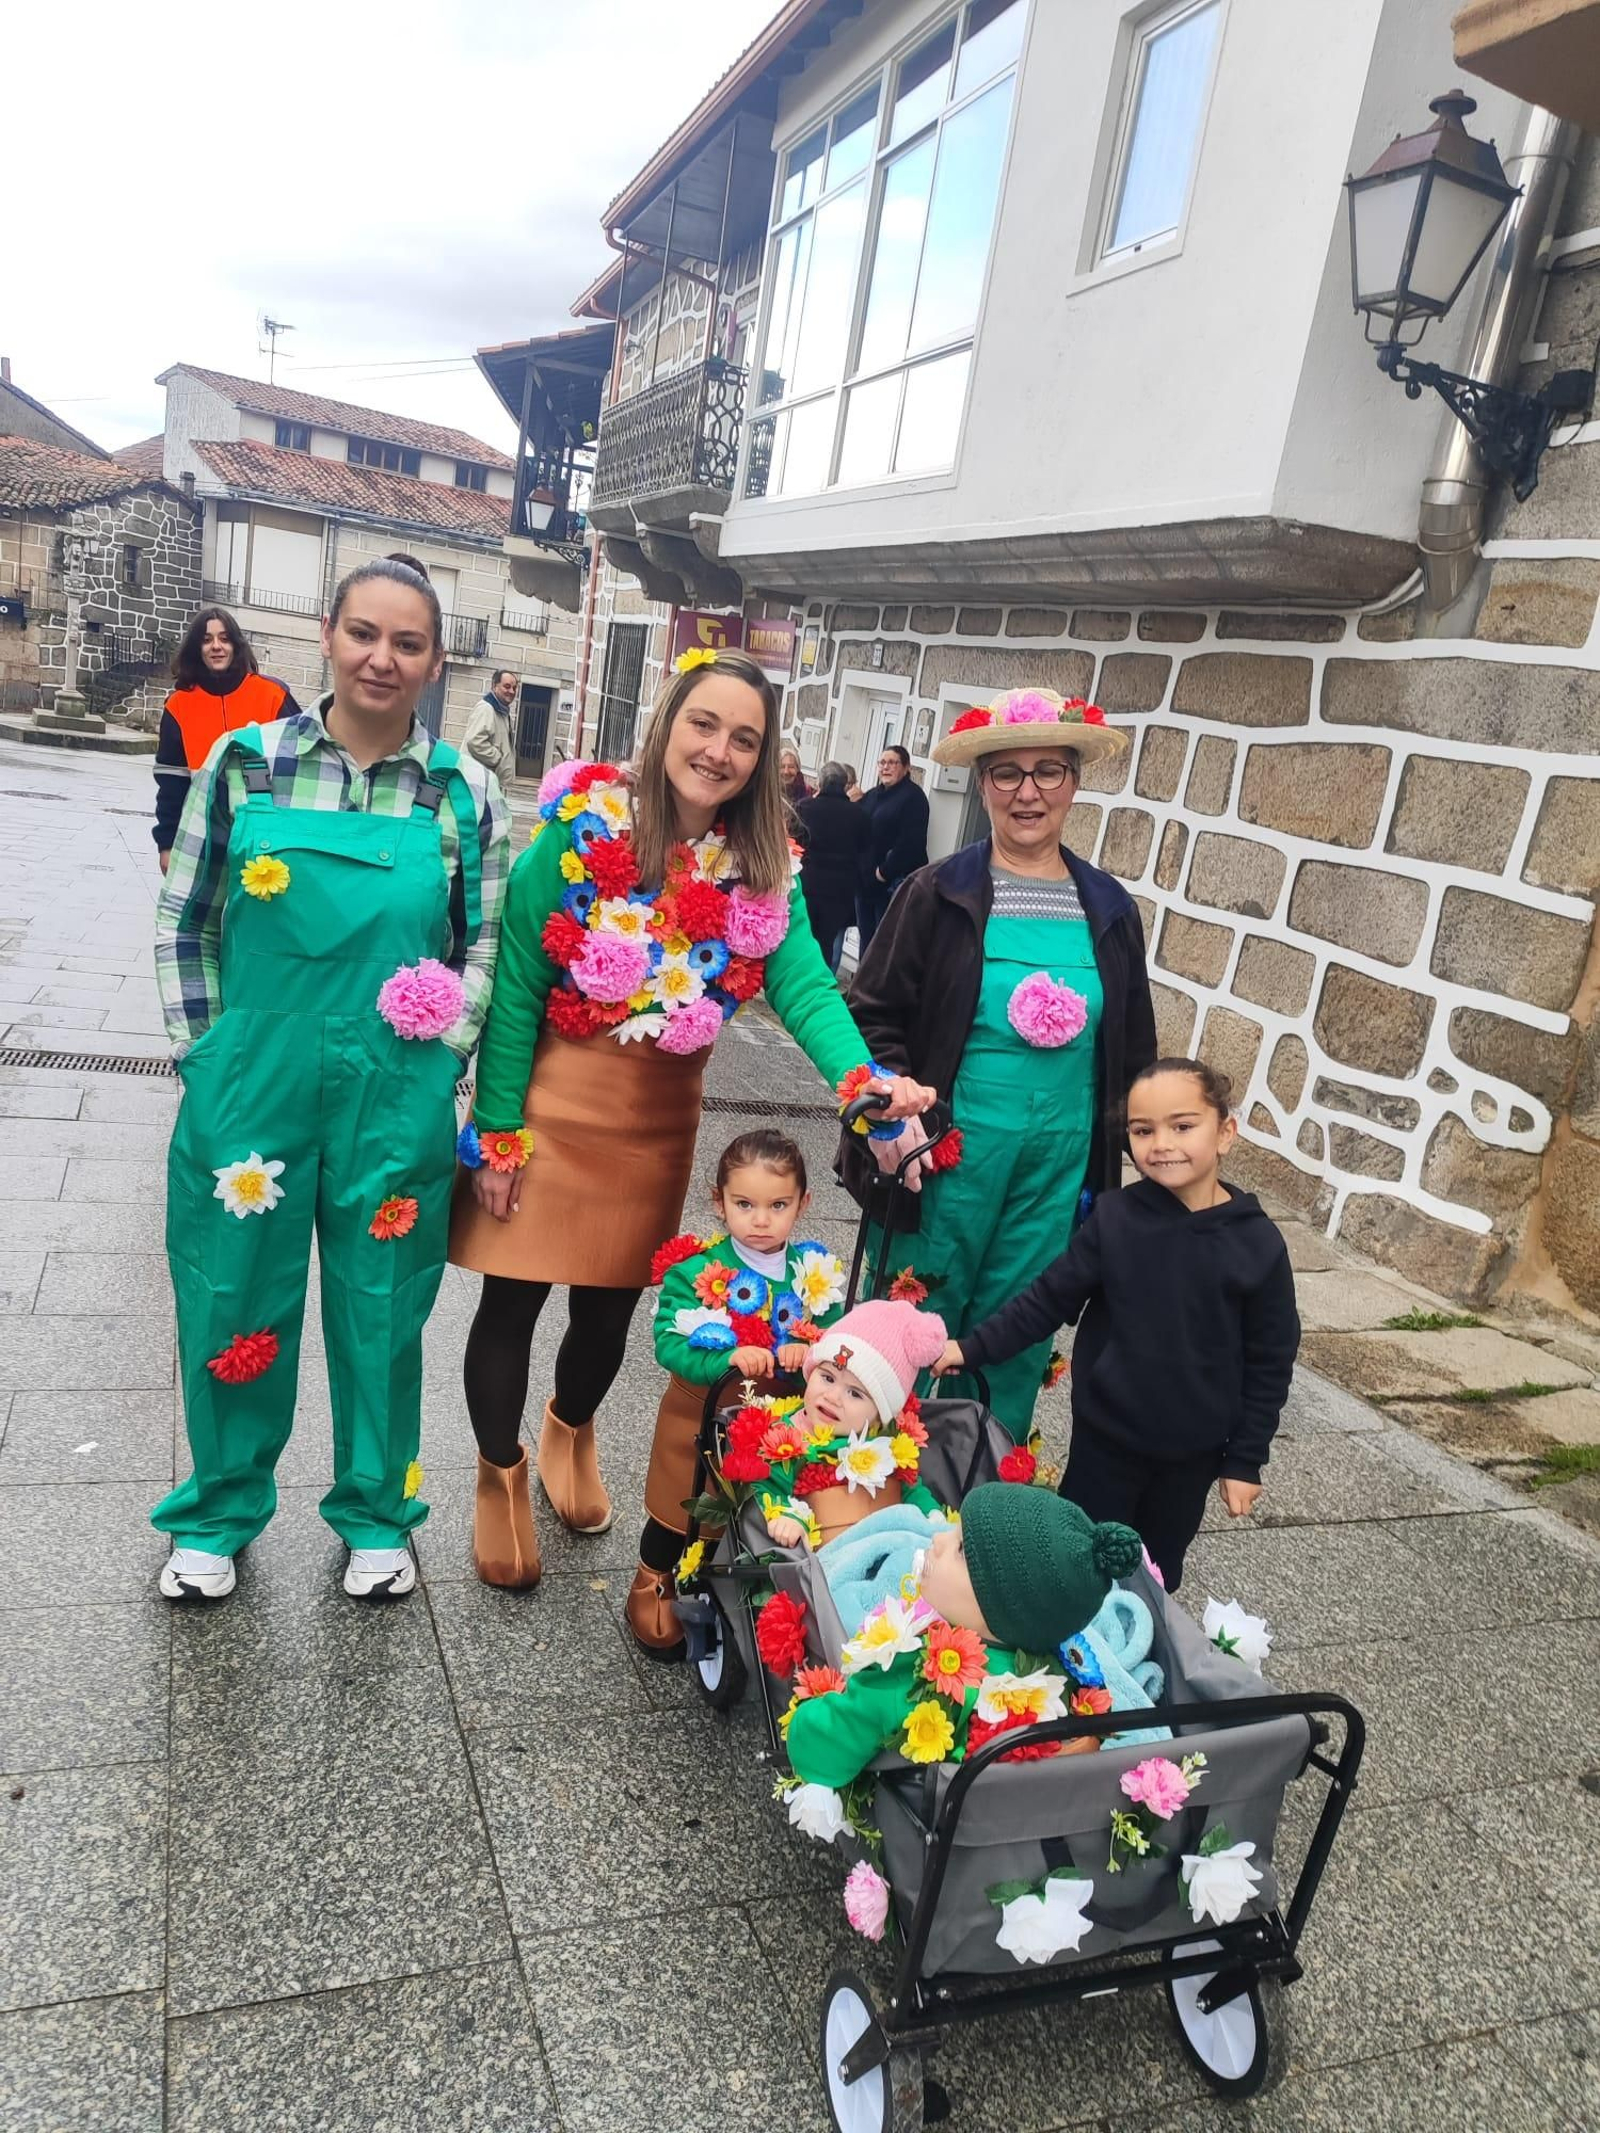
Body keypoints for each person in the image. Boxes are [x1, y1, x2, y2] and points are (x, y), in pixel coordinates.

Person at [447, 645, 936, 1644]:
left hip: (657, 1119)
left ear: (761, 759)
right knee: (513, 1300)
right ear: (667, 722)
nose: (718, 751)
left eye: (744, 739)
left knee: (609, 1309)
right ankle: (499, 1474)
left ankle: (568, 1430)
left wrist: (862, 1083)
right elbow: (519, 991)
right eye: (704, 724)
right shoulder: (577, 833)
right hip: (548, 1105)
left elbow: (805, 986)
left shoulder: (764, 870)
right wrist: (496, 1134)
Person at [150, 554, 509, 1603]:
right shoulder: (244, 763)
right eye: (363, 633)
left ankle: (376, 1513)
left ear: (434, 662)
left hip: (392, 1091)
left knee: (381, 1308)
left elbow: (482, 944)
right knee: (231, 1293)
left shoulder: (463, 791)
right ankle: (218, 1512)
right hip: (249, 1087)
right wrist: (207, 1054)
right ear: (326, 634)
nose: (381, 658)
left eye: (407, 642)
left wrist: (441, 1054)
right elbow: (186, 920)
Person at [840, 688, 1157, 1442]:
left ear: (1074, 782)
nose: (1028, 792)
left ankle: (981, 1482)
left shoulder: (1109, 908)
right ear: (983, 785)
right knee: (913, 1318)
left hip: (1058, 1169)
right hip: (946, 1157)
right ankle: (873, 1474)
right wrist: (892, 1097)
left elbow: (1134, 1050)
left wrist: (1155, 1155)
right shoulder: (934, 893)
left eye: (1049, 771)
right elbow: (872, 1013)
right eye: (1007, 773)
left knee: (1018, 1327)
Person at [936, 1059, 1300, 1591]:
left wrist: (1245, 1460)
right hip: (1105, 1440)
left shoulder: (1258, 1245)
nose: (1162, 1144)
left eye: (1182, 1126)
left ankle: (1139, 1637)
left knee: (1154, 1574)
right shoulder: (1115, 1219)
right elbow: (1046, 1300)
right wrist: (969, 1349)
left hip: (1192, 1454)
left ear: (1225, 1132)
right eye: (1142, 1130)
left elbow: (1271, 1359)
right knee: (1077, 1560)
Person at [626, 1131, 852, 1644]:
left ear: (803, 1204)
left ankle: (733, 1588)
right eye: (744, 1204)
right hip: (701, 1413)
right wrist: (724, 1357)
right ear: (719, 1201)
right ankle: (653, 1578)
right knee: (683, 1502)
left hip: (779, 1422)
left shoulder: (816, 1274)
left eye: (778, 1205)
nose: (761, 1220)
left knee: (756, 1510)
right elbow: (669, 1343)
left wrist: (811, 1352)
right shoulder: (697, 1272)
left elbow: (837, 1340)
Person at [783, 1483, 1144, 1790]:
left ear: (1000, 1607)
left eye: (960, 1549)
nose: (938, 1538)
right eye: (955, 1531)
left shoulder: (918, 1674)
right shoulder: (1063, 1678)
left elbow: (818, 1752)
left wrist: (807, 1719)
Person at [153, 608, 300, 871]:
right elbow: (171, 784)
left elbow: (299, 769)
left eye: (224, 638)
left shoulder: (272, 696)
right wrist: (167, 845)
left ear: (236, 645)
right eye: (206, 640)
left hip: (264, 836)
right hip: (203, 836)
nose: (216, 646)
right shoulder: (178, 706)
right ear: (196, 648)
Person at [797, 761, 870, 973]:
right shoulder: (859, 814)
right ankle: (821, 981)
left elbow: (795, 843)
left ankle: (800, 980)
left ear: (820, 782)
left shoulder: (804, 808)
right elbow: (865, 849)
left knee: (803, 938)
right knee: (827, 942)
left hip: (808, 884)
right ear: (845, 784)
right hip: (840, 890)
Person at [855, 744, 928, 952]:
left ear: (906, 768)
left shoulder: (913, 798)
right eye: (882, 763)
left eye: (892, 763)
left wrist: (883, 872)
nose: (885, 767)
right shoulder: (872, 795)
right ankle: (863, 974)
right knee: (866, 941)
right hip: (865, 885)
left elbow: (911, 843)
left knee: (885, 945)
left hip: (892, 885)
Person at [462, 668, 518, 789]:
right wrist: (497, 758)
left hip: (490, 783)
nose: (512, 691)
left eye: (514, 688)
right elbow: (475, 741)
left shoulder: (502, 712)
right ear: (494, 686)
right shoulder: (486, 708)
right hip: (479, 782)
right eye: (507, 686)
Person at [779, 744, 811, 809]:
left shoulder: (808, 792)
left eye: (791, 767)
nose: (786, 772)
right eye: (782, 767)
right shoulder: (768, 791)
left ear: (797, 769)